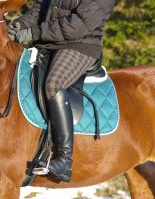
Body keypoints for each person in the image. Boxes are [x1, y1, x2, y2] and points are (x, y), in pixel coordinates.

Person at [8, 0, 116, 182]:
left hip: (80, 45)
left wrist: (34, 32)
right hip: (50, 42)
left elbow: (79, 25)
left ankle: (65, 159)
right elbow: (41, 7)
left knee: (54, 83)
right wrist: (20, 24)